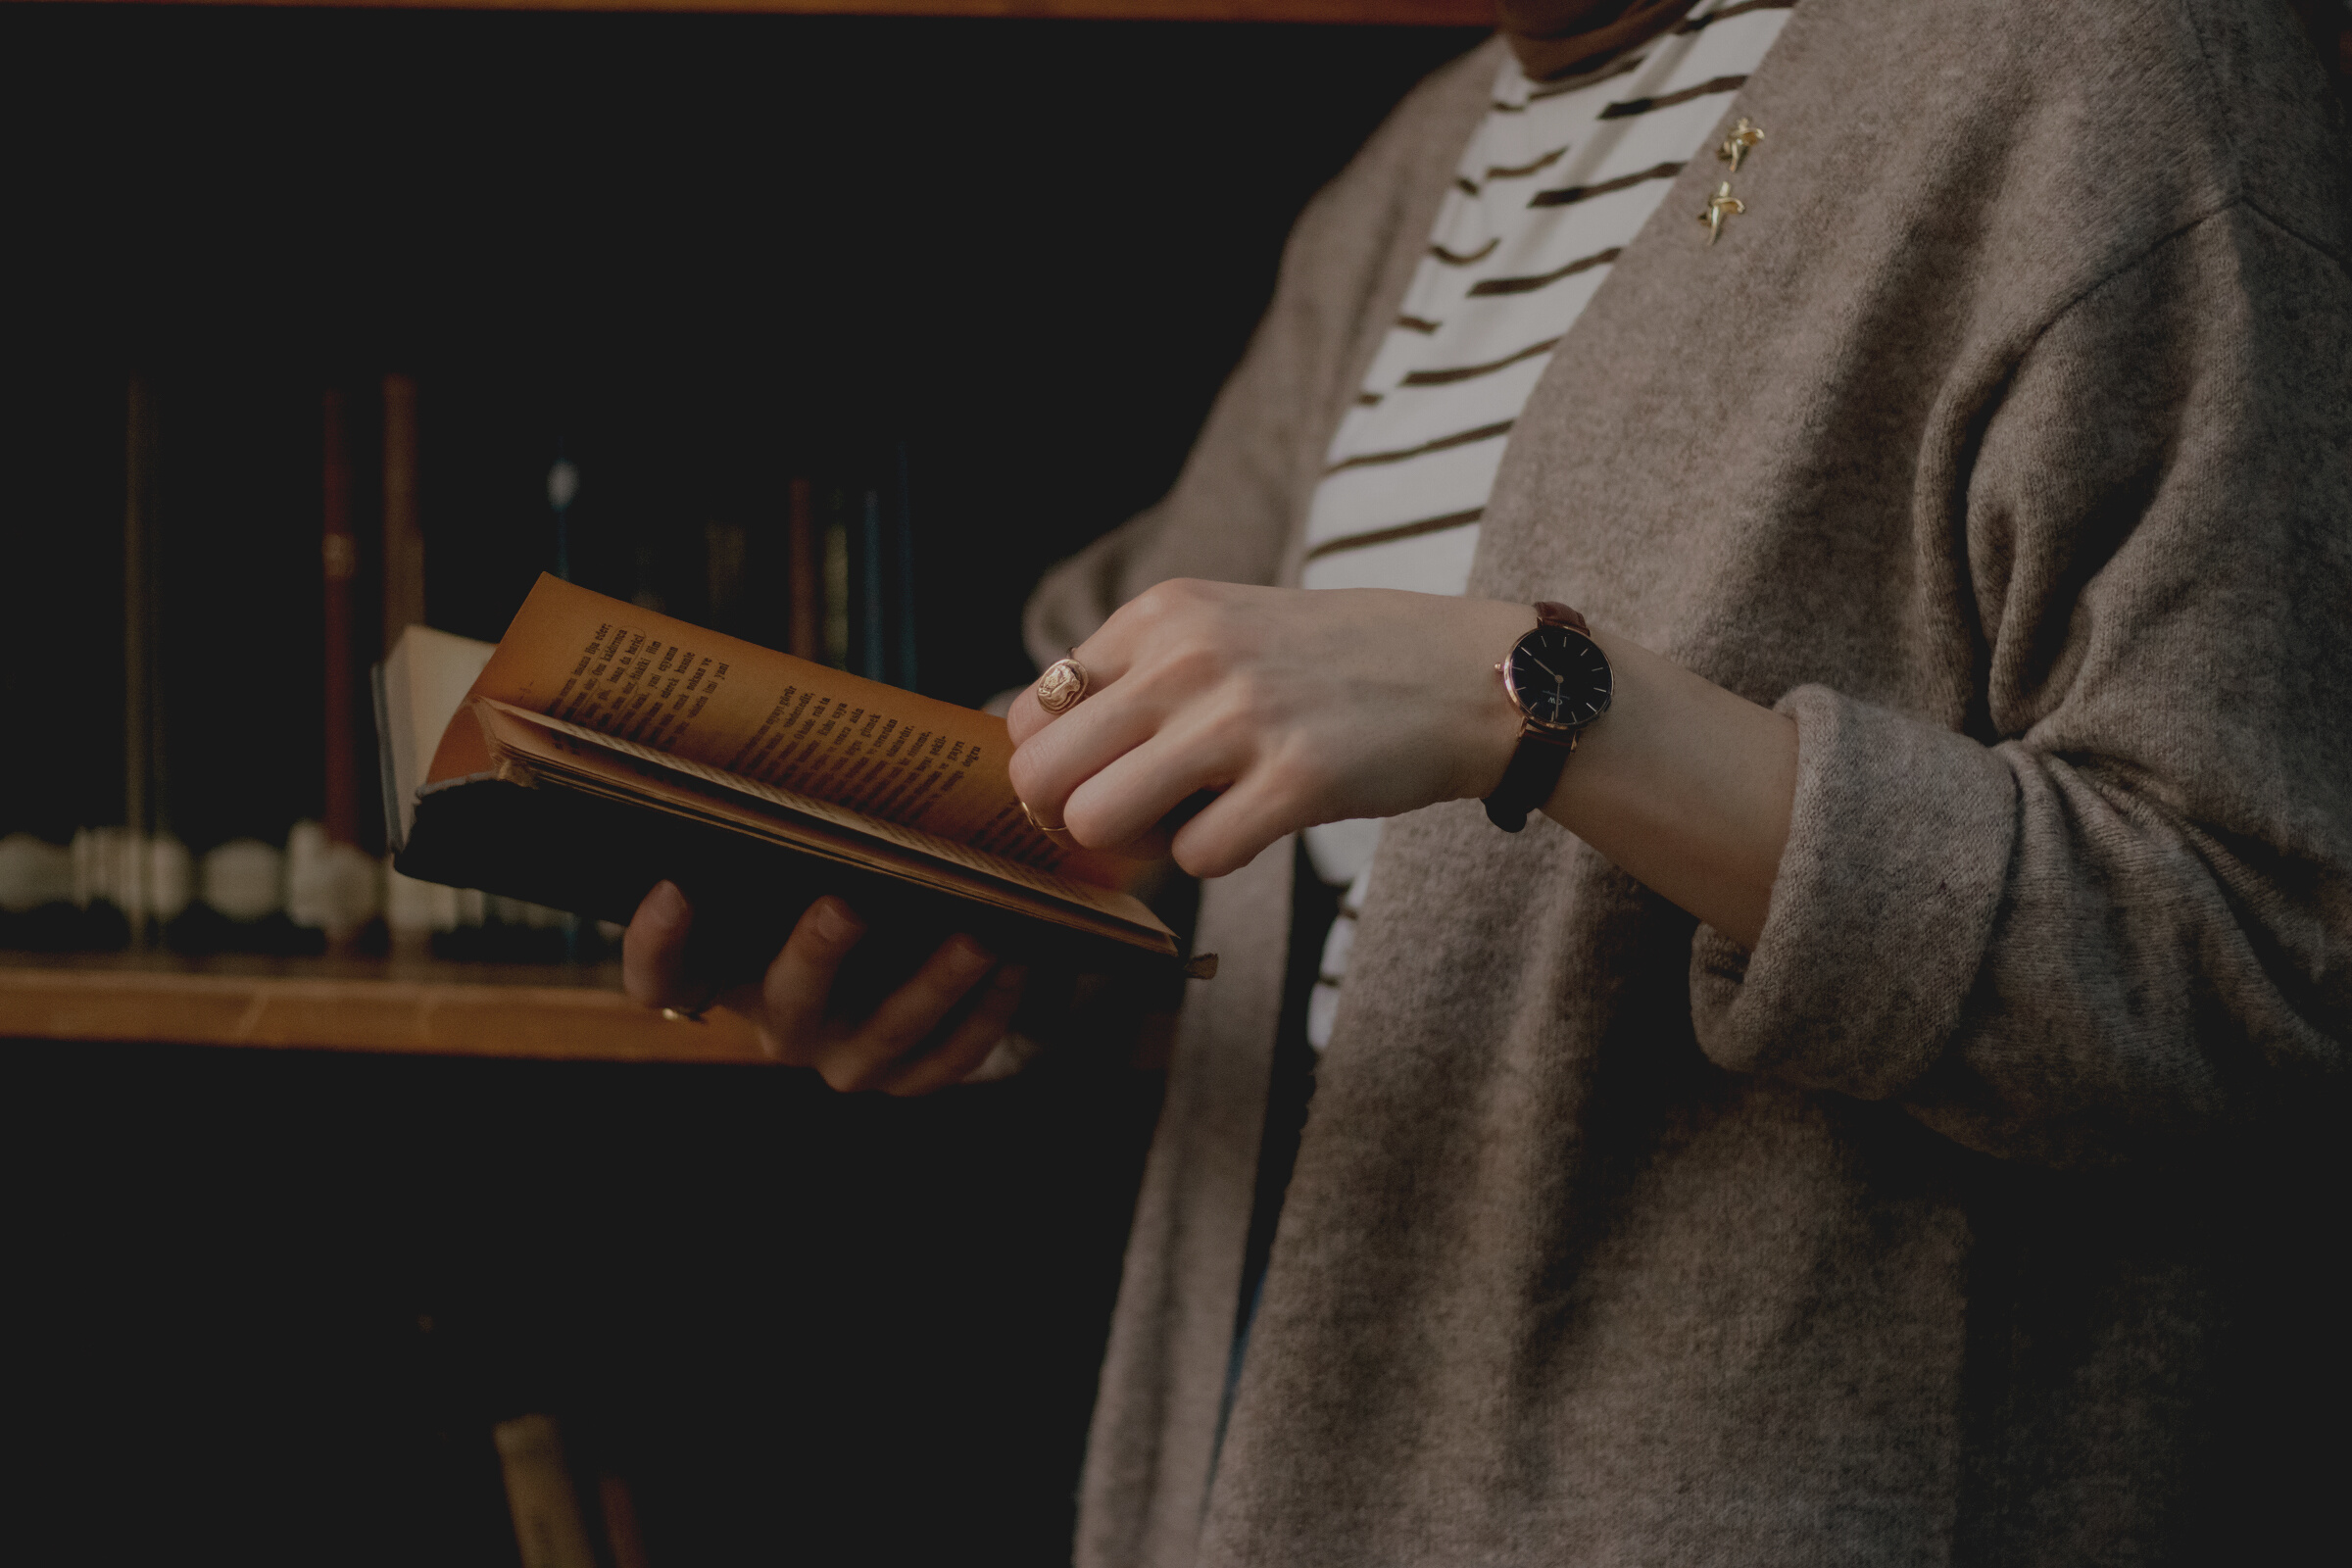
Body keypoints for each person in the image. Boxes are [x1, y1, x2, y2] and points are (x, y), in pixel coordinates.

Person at [626, 0, 2352, 1561]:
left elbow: (2261, 958)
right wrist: (958, 917)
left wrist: (1532, 701)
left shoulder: (2114, 64)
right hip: (1270, 1451)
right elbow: (1170, 753)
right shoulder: (1422, 163)